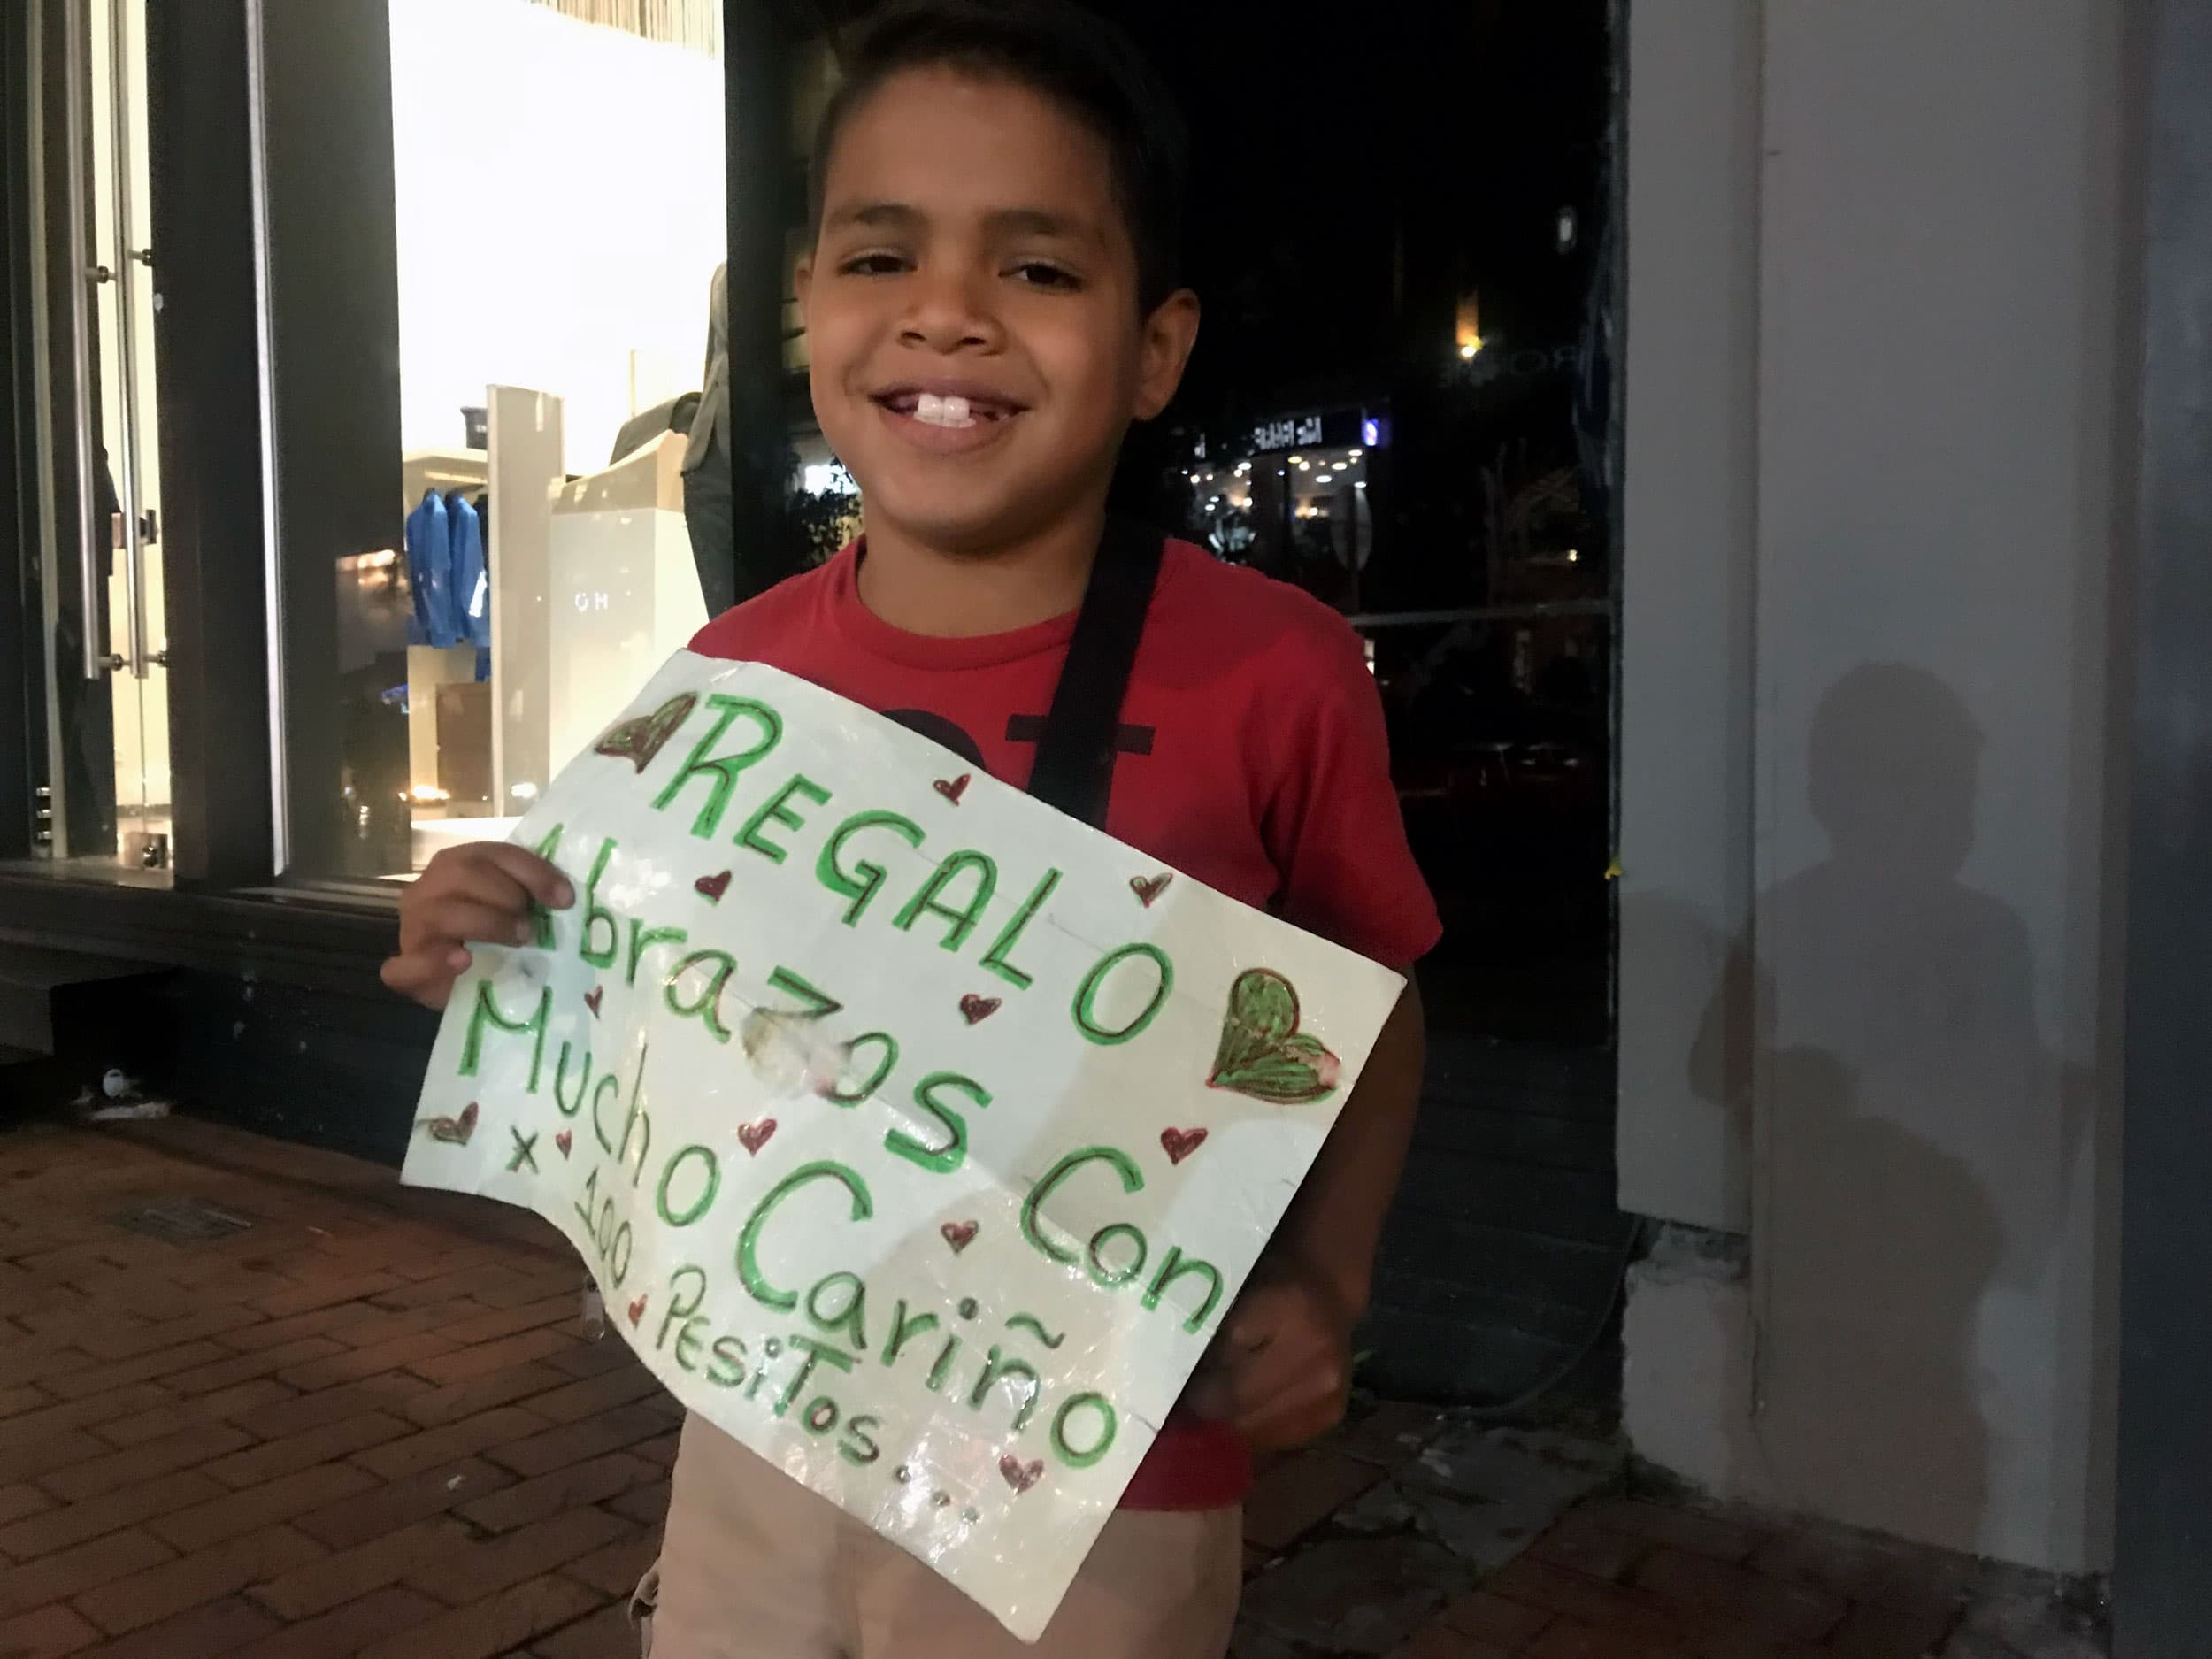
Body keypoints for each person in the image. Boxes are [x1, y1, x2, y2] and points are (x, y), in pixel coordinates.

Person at [380, 4, 1438, 1654]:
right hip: (758, 1445)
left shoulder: (1274, 675)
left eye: (1035, 269)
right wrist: (492, 931)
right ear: (804, 305)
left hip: (1104, 1490)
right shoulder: (726, 674)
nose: (945, 316)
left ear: (1154, 348)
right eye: (881, 258)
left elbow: (1364, 1014)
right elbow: (651, 981)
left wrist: (1329, 1284)